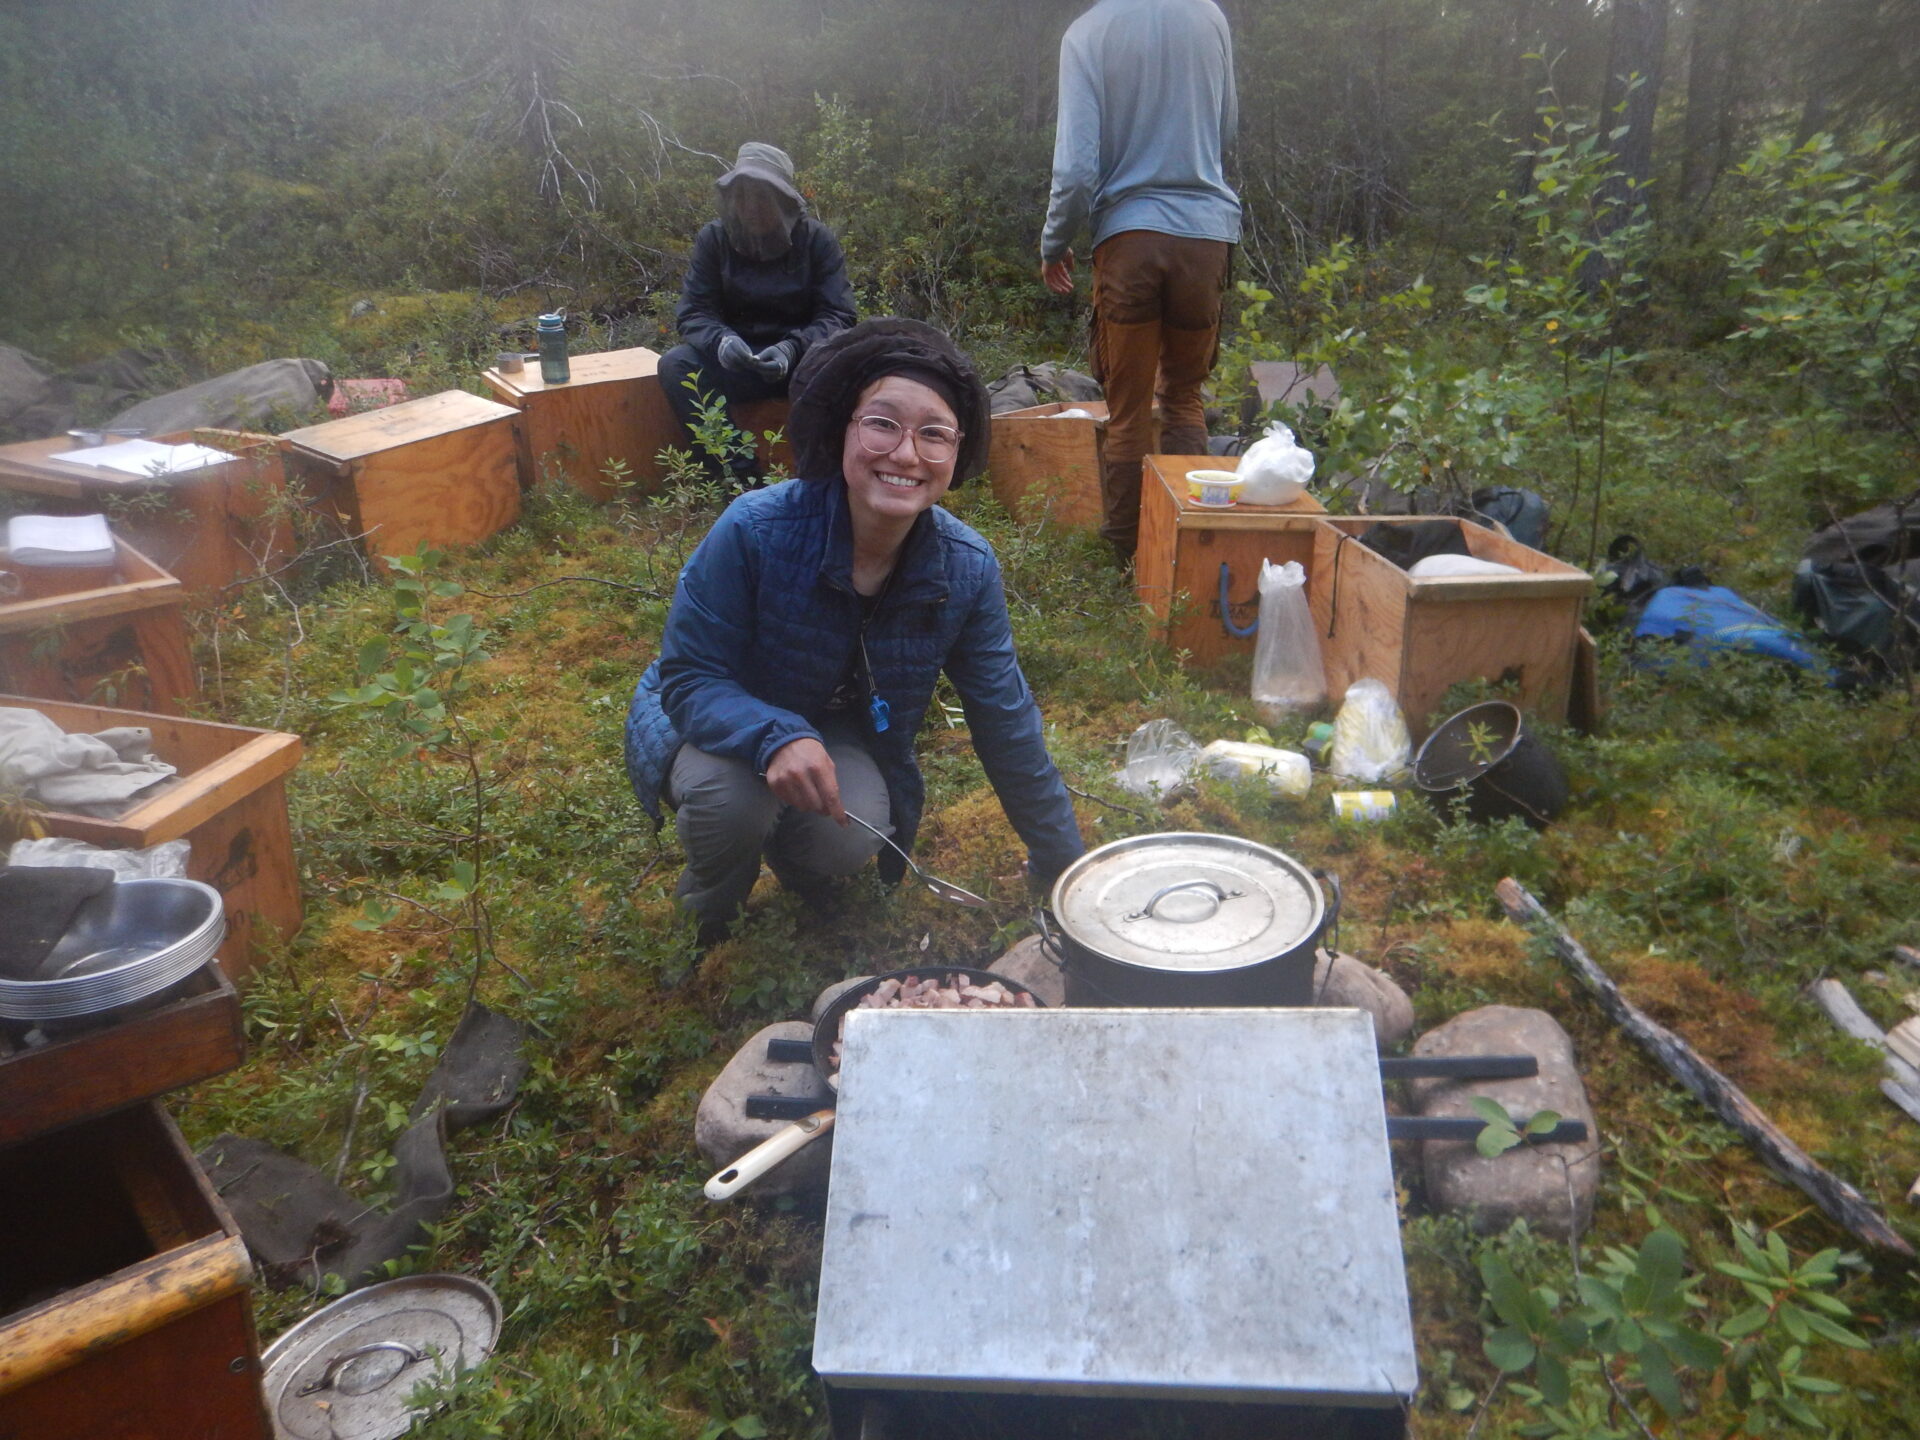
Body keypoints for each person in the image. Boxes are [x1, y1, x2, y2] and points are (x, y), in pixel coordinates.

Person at [625, 318, 1086, 942]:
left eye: (934, 434)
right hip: (714, 715)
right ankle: (708, 920)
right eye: (882, 423)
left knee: (853, 828)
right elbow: (688, 677)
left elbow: (1006, 722)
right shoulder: (755, 529)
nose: (905, 454)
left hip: (834, 728)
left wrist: (1064, 862)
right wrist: (776, 735)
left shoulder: (964, 568)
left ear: (956, 453)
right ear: (843, 429)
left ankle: (797, 868)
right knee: (735, 803)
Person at [1039, 0, 1241, 564]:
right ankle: (1190, 547)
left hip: (1129, 240)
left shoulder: (1087, 33)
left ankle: (1125, 554)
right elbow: (1226, 126)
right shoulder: (1209, 16)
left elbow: (1077, 168)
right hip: (1206, 235)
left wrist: (1055, 243)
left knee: (1126, 410)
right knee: (1183, 398)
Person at [659, 141, 859, 487]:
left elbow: (838, 315)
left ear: (784, 201)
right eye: (742, 196)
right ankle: (739, 478)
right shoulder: (714, 240)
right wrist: (721, 341)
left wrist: (792, 348)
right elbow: (695, 311)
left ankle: (825, 476)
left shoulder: (817, 242)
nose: (750, 206)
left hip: (801, 365)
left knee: (851, 366)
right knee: (676, 364)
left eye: (762, 196)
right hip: (736, 364)